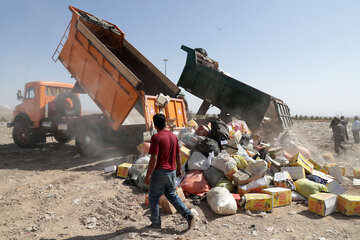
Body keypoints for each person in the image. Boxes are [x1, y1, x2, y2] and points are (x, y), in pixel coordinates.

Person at [144, 113, 195, 230]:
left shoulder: (156, 137)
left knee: (153, 198)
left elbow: (154, 158)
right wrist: (179, 169)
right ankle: (188, 215)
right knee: (171, 195)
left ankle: (156, 223)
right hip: (171, 172)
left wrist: (148, 175)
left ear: (154, 125)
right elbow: (178, 154)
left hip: (160, 172)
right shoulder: (173, 136)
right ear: (165, 123)